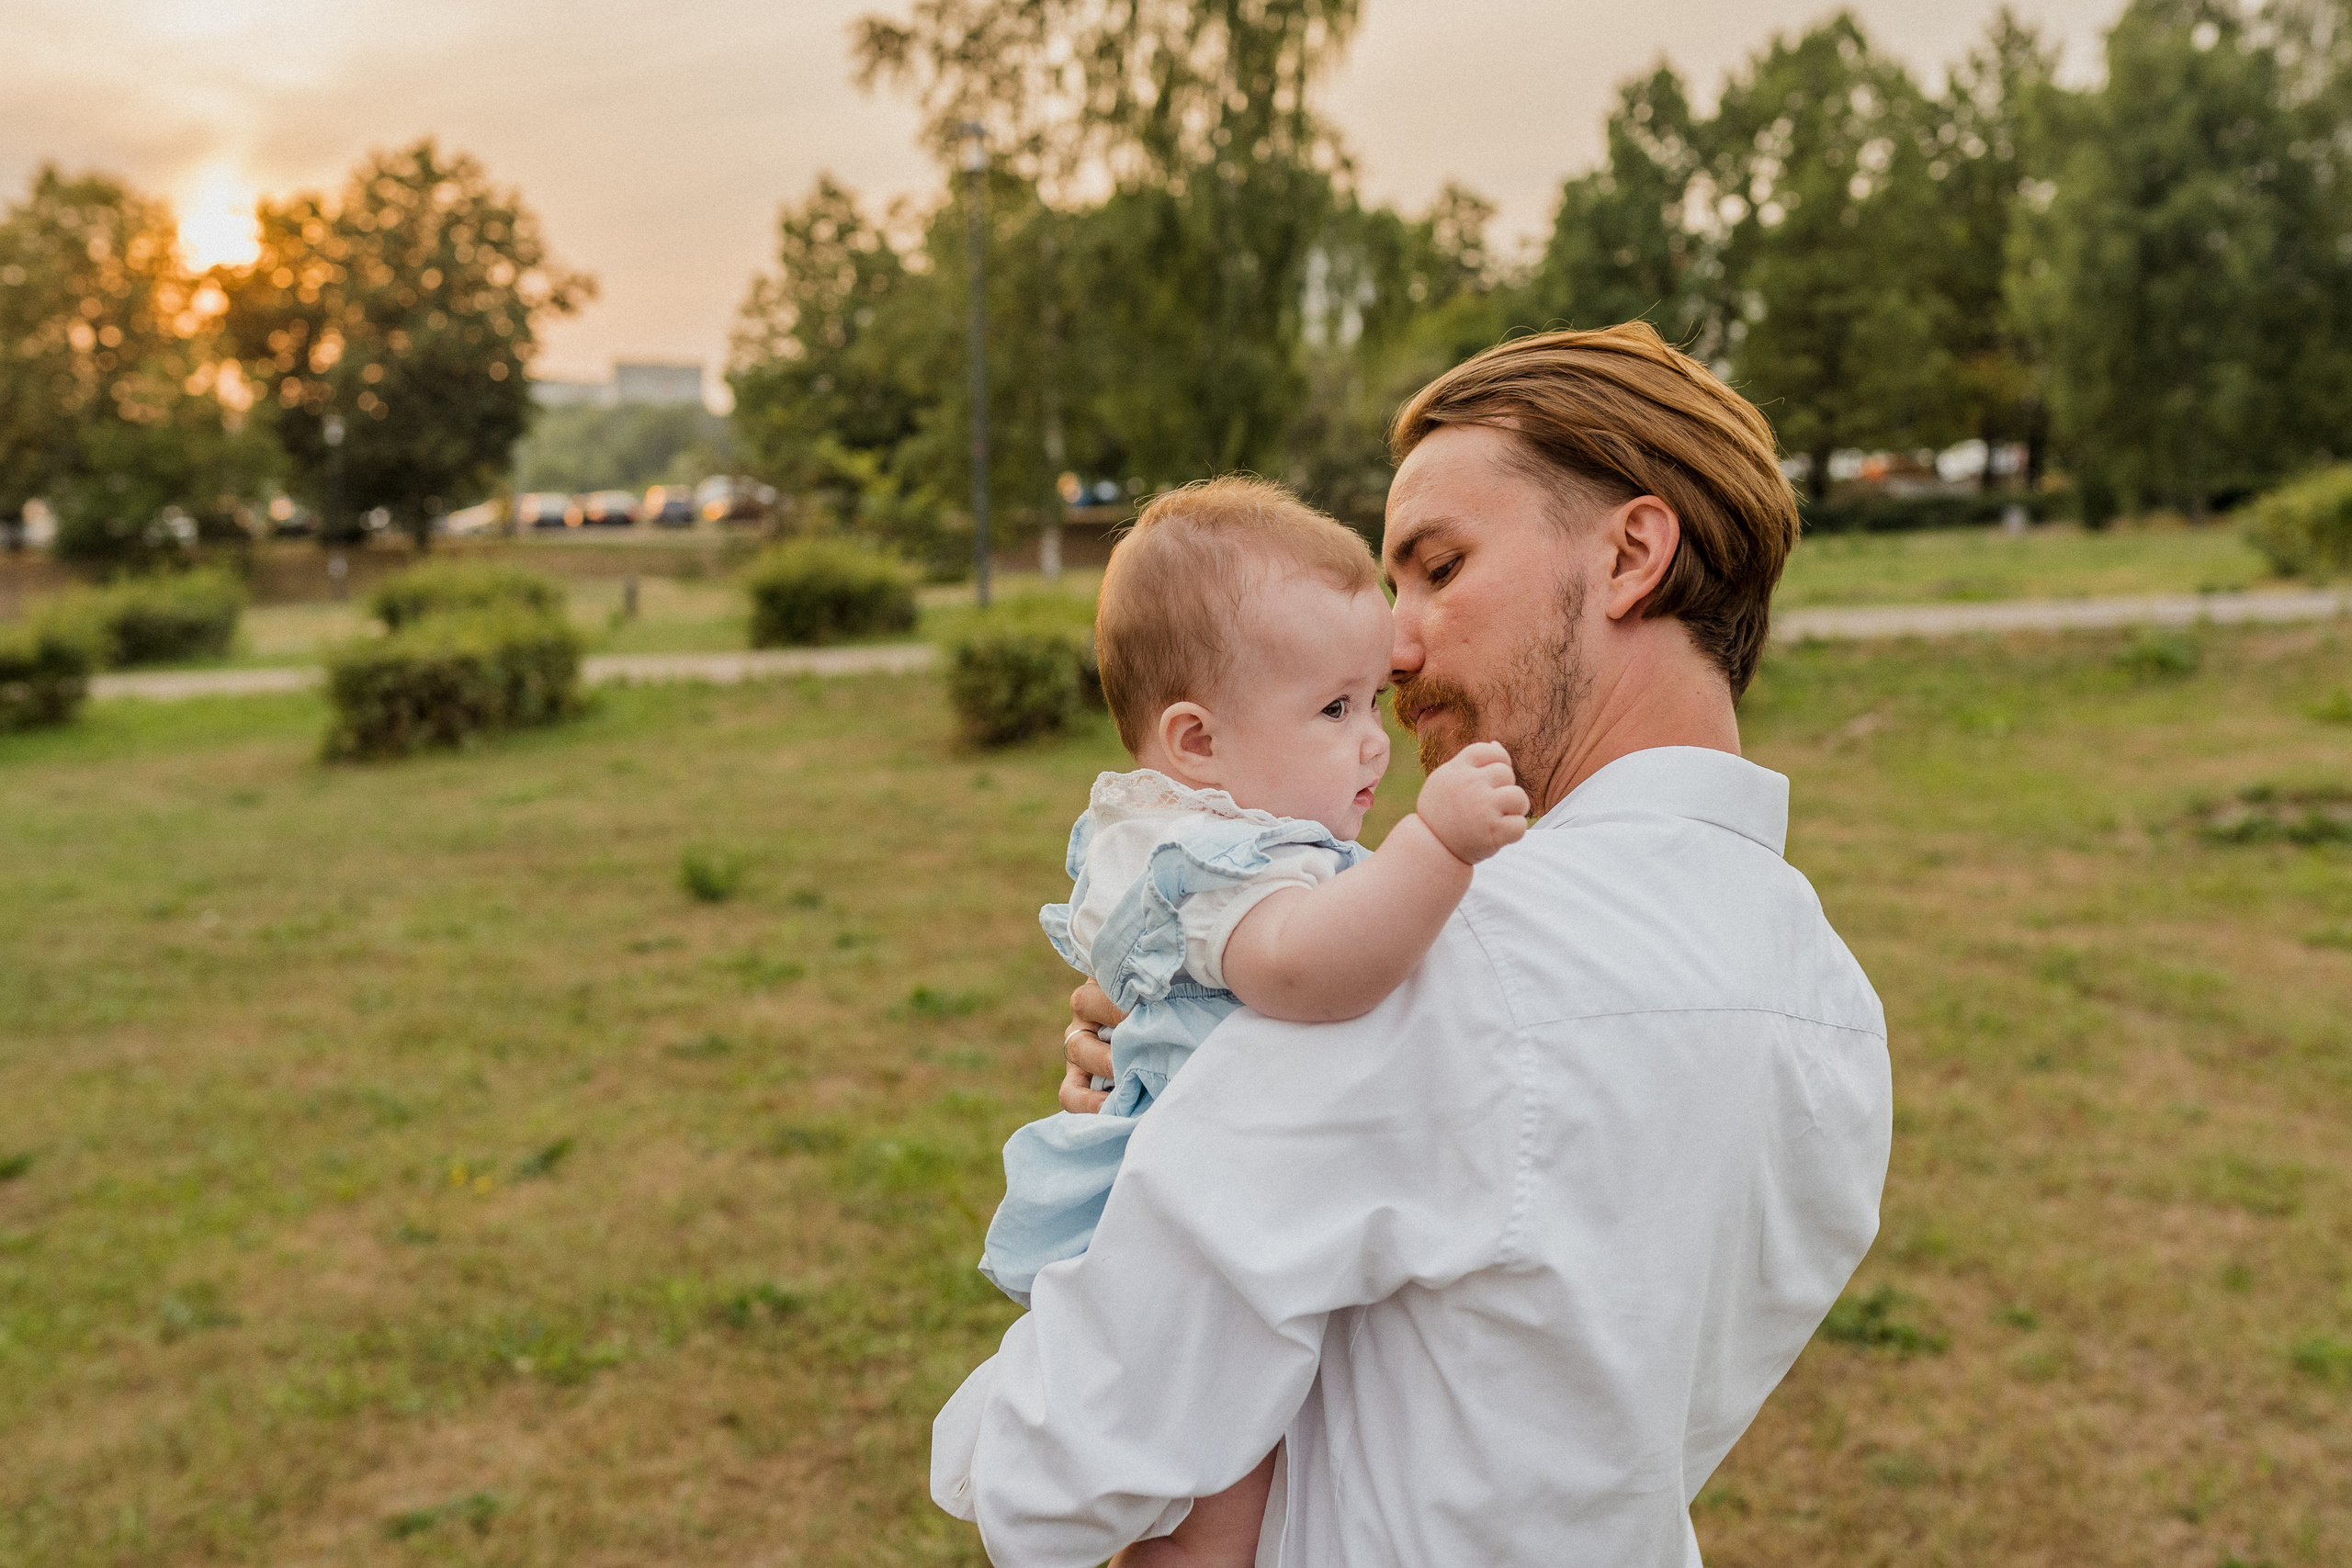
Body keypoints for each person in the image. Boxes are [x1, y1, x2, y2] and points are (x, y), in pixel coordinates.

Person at [933, 321, 1893, 1568]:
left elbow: (1061, 1465)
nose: (1393, 645)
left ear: (1629, 557)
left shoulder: (1438, 965)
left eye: (1440, 567)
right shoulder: (1834, 1007)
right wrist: (1182, 1080)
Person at [975, 476, 1530, 1563]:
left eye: (1371, 702)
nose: (1373, 743)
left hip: (1238, 1207)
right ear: (1195, 740)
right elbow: (1305, 969)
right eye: (1334, 710)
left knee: (1234, 1469)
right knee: (1206, 1494)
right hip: (1193, 1234)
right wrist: (1435, 846)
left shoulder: (1244, 834)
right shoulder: (1204, 859)